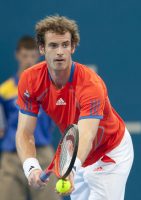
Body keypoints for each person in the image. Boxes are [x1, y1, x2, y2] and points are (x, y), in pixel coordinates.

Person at [15, 15, 134, 200]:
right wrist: (31, 167)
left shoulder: (90, 83)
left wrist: (71, 167)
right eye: (53, 45)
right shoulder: (30, 80)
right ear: (42, 48)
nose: (60, 52)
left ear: (73, 47)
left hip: (109, 153)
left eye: (65, 45)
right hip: (75, 155)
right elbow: (24, 132)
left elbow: (87, 134)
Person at [0, 36, 60, 200]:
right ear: (17, 55)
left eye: (32, 56)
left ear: (38, 56)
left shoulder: (50, 88)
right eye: (25, 55)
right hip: (11, 157)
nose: (28, 60)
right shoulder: (4, 91)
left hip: (42, 153)